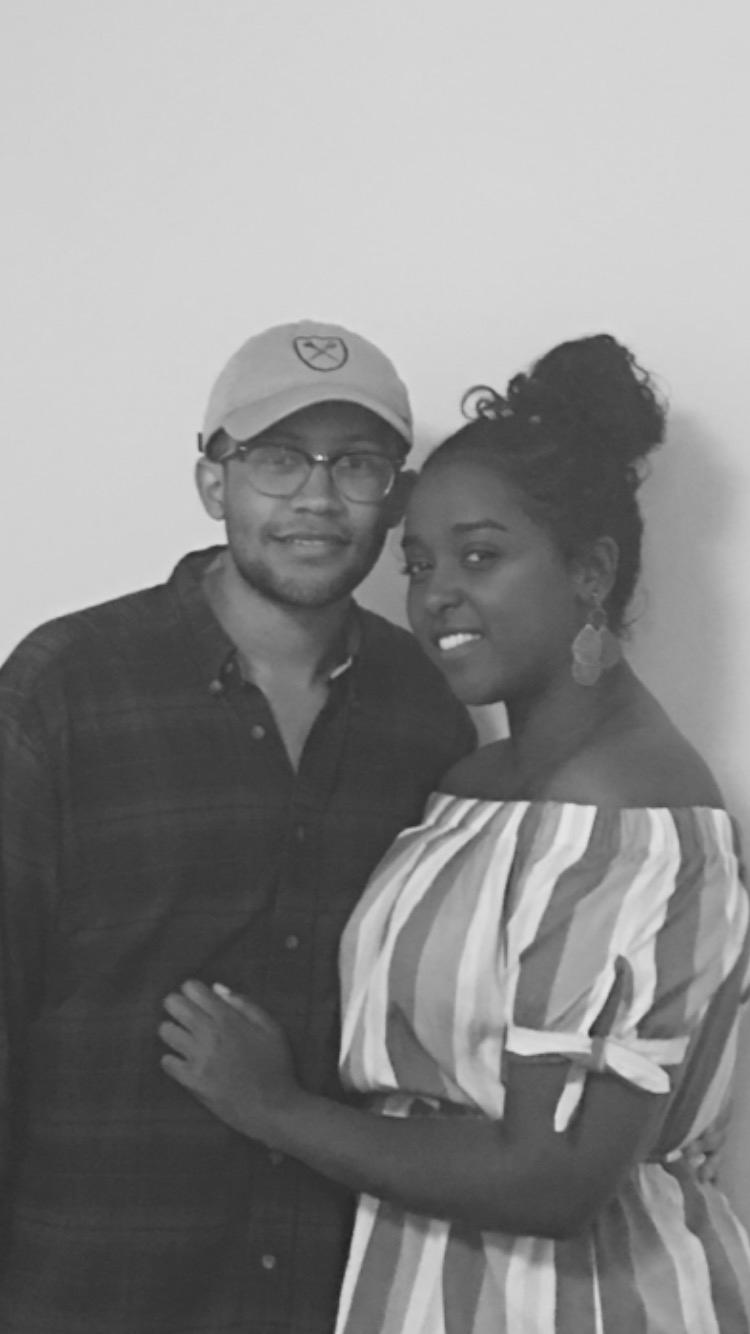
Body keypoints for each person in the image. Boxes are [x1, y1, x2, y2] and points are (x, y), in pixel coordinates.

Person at [160, 333, 750, 1333]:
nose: (436, 595)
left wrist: (275, 1108)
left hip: (577, 1305)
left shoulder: (629, 809)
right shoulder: (473, 782)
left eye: (482, 556)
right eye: (420, 562)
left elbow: (553, 1177)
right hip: (426, 1291)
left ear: (592, 570)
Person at [0, 319, 476, 1334]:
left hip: (331, 1289)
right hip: (87, 1287)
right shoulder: (67, 684)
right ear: (213, 481)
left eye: (356, 462)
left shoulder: (427, 708)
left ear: (395, 496)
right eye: (277, 457)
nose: (317, 496)